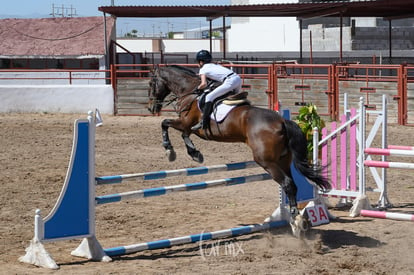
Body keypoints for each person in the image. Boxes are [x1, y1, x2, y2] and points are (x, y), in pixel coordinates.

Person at [191, 49, 242, 131]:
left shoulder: (203, 69)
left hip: (230, 81)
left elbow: (203, 84)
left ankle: (204, 121)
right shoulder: (214, 65)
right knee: (236, 98)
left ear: (200, 62)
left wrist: (197, 89)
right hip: (237, 78)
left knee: (209, 97)